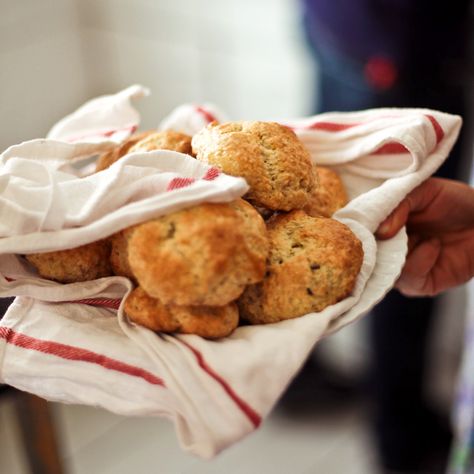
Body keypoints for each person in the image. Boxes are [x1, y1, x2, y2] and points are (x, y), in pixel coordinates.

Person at [295, 1, 474, 472]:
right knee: (392, 243)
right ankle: (401, 434)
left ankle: (294, 374)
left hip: (352, 28)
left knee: (324, 207)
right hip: (400, 45)